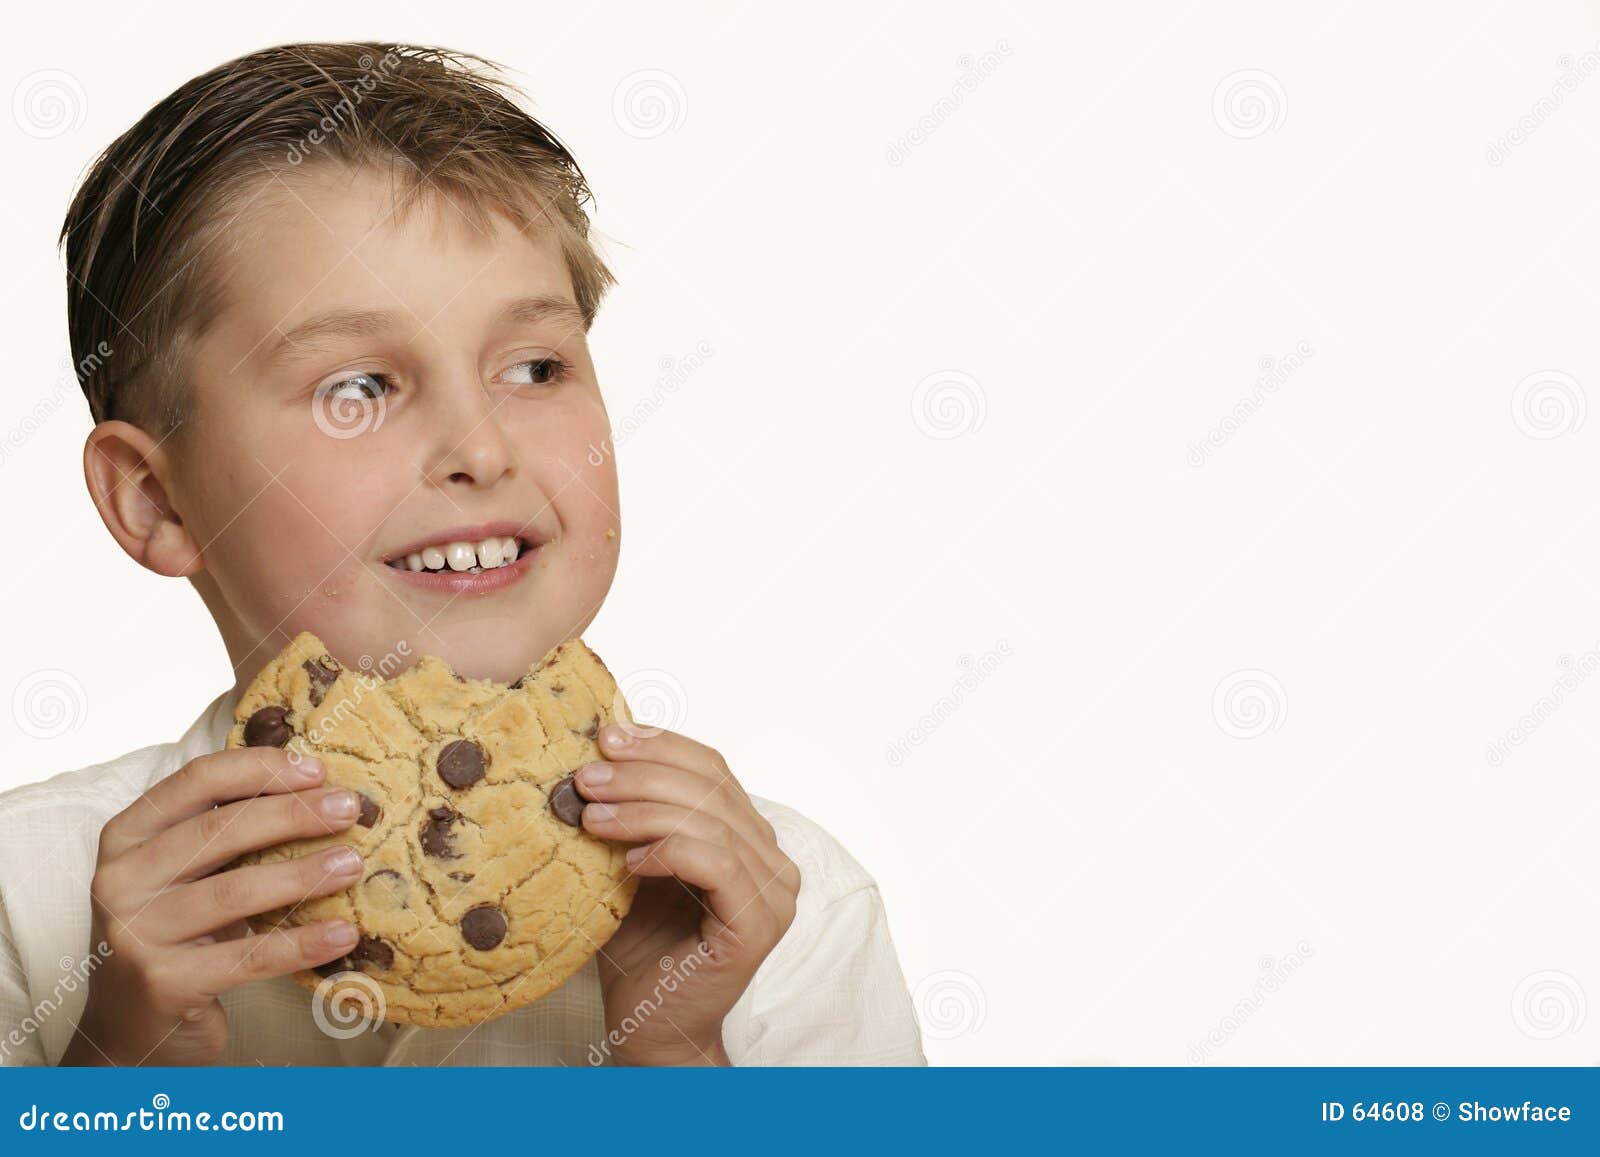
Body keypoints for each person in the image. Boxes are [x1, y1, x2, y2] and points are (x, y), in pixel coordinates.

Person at [0, 42, 924, 1067]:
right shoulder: (23, 904)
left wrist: (672, 1051)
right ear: (156, 497)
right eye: (359, 389)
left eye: (533, 366)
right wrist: (124, 1074)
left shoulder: (778, 914)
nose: (482, 448)